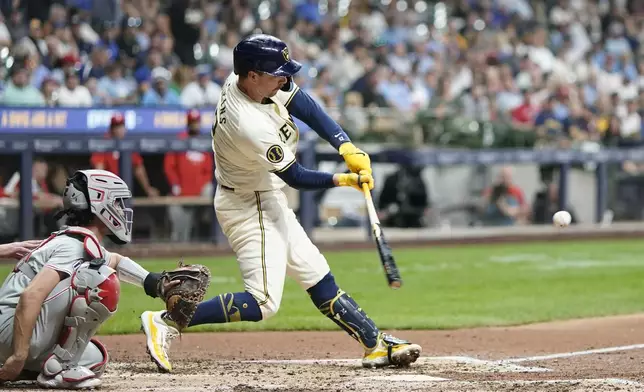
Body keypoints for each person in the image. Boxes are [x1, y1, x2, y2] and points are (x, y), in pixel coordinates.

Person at [140, 34, 422, 371]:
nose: (285, 79)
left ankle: (373, 344)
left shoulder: (244, 78)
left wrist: (345, 146)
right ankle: (165, 320)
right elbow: (296, 177)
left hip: (264, 195)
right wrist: (343, 179)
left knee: (316, 274)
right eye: (277, 74)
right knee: (263, 302)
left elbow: (303, 103)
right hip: (248, 205)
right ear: (253, 75)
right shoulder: (249, 124)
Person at [0, 169, 177, 388]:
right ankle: (55, 368)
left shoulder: (79, 241)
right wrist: (18, 355)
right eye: (117, 202)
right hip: (10, 330)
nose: (121, 209)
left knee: (94, 359)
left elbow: (115, 260)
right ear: (99, 204)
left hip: (13, 331)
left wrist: (156, 283)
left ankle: (43, 367)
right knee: (99, 280)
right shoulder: (70, 245)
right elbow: (31, 295)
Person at [164, 109, 214, 242]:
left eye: (196, 122)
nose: (195, 125)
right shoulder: (180, 140)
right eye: (192, 122)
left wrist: (201, 185)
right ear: (188, 123)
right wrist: (174, 184)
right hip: (182, 193)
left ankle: (210, 232)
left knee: (212, 191)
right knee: (181, 235)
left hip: (200, 194)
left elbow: (209, 171)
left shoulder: (204, 142)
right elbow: (169, 166)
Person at [90, 113, 160, 197]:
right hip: (107, 190)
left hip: (123, 189)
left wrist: (147, 188)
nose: (119, 130)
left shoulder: (128, 143)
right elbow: (99, 170)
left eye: (121, 126)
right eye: (116, 127)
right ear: (111, 129)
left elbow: (138, 168)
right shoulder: (105, 143)